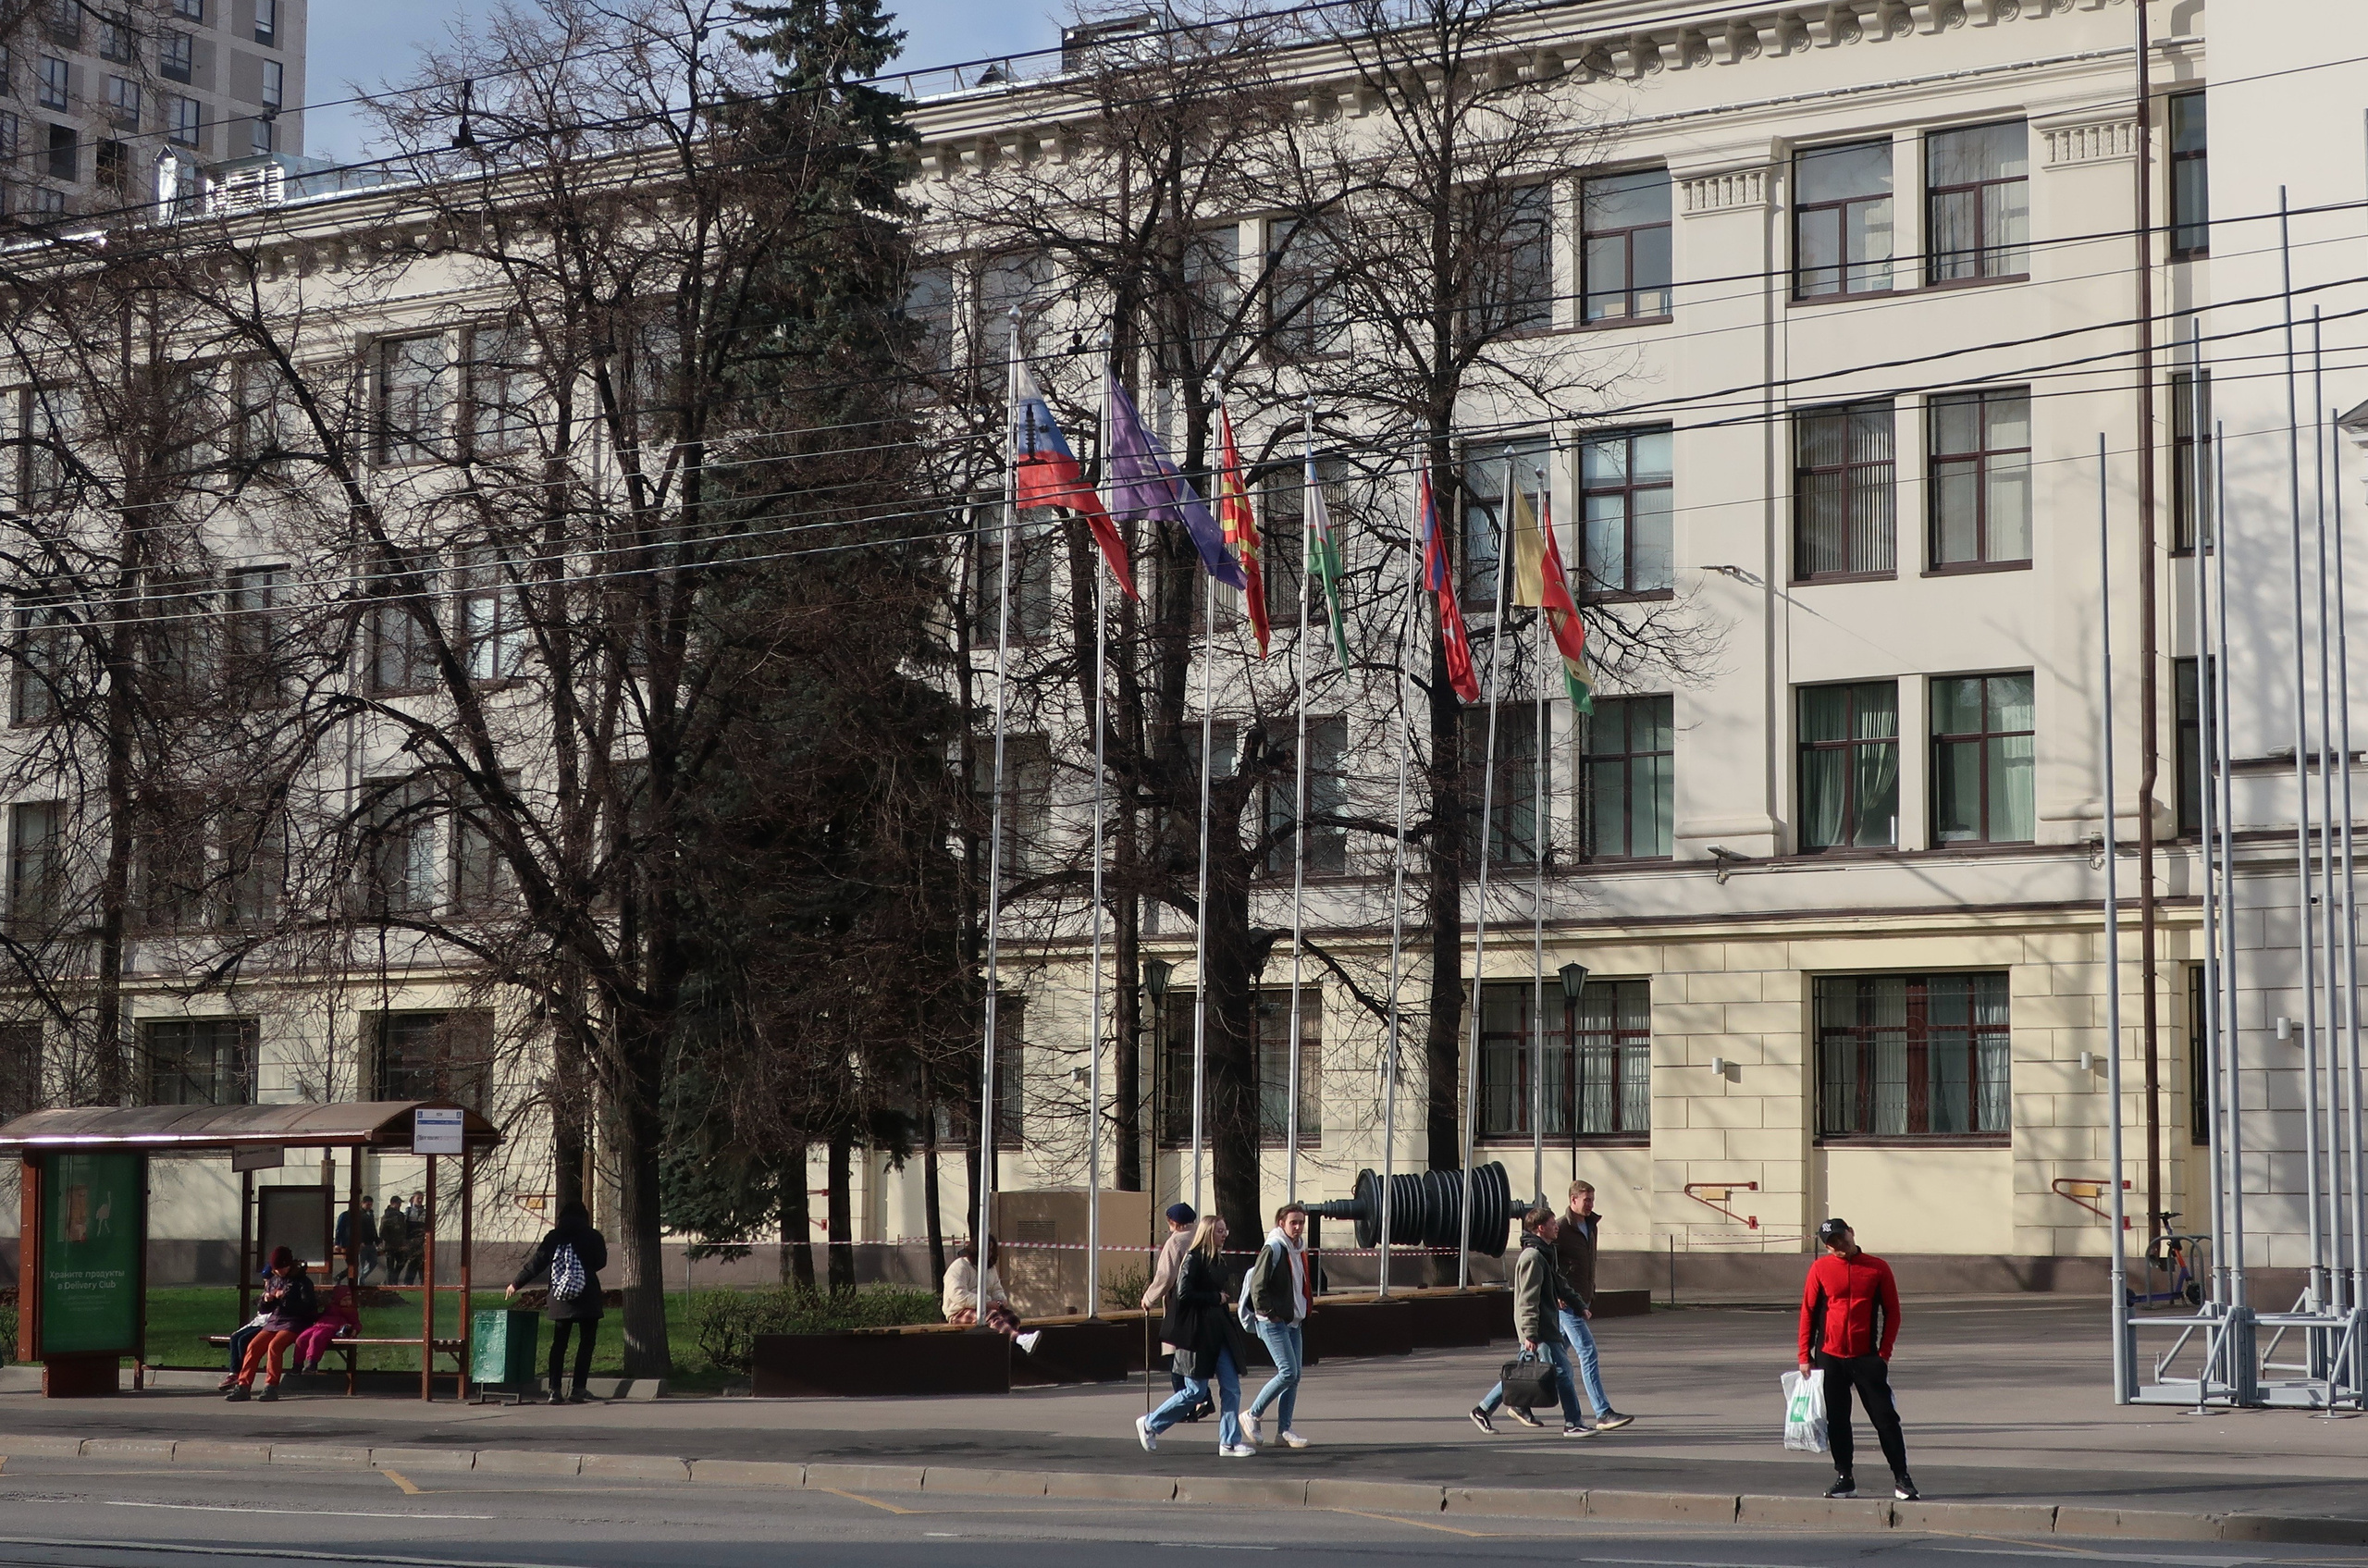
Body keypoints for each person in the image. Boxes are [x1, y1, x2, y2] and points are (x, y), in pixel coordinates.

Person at [1798, 1216, 1916, 1501]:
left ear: (1851, 1233)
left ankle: (1902, 1478)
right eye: (1832, 1243)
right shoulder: (1820, 1269)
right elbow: (1808, 1311)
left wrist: (1884, 1354)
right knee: (1838, 1420)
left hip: (1866, 1357)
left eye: (1842, 1238)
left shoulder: (1877, 1268)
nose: (1839, 1245)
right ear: (1827, 1247)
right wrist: (1805, 1354)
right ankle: (1844, 1477)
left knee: (1885, 1418)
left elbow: (1893, 1313)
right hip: (1830, 1356)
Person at [1136, 1215, 1253, 1457]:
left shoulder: (1218, 1260)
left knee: (1232, 1387)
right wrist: (1214, 1297)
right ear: (1208, 1232)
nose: (1224, 1234)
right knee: (1195, 1392)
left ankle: (1229, 1442)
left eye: (1225, 1230)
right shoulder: (1193, 1259)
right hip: (1197, 1335)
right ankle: (1150, 1423)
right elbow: (1183, 1293)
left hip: (1218, 1331)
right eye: (1220, 1230)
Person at [1470, 1205, 1589, 1436]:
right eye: (1553, 1223)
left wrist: (1579, 1305)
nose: (1557, 1226)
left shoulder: (1544, 1252)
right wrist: (1530, 1334)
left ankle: (1482, 1410)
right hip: (1541, 1329)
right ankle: (1573, 1423)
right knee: (1563, 1372)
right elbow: (1527, 1299)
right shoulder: (1533, 1257)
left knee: (1522, 1373)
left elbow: (1560, 1284)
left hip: (1545, 1326)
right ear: (1541, 1228)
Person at [1552, 1180, 1634, 1431]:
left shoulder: (1591, 1225)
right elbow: (1549, 1264)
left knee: (1546, 1356)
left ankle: (1493, 1404)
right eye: (1586, 1200)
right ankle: (1603, 1412)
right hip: (1568, 1302)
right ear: (1572, 1200)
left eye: (1592, 1200)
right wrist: (1558, 1293)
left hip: (1583, 1297)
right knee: (1587, 1351)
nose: (1590, 1205)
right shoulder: (1561, 1228)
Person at [511, 1199, 609, 1403]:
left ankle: (554, 1389)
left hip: (560, 1296)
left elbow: (537, 1262)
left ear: (561, 1218)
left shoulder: (554, 1237)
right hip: (587, 1295)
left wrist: (516, 1283)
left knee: (559, 1343)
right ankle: (578, 1388)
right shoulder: (593, 1236)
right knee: (586, 1342)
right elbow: (601, 1262)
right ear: (585, 1218)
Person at [1241, 1202, 1312, 1450]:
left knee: (1295, 1376)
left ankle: (1284, 1431)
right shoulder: (1274, 1247)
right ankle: (1252, 1414)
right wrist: (1269, 1312)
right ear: (1281, 1223)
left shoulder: (1298, 1248)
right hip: (1274, 1321)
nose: (1298, 1227)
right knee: (1288, 1372)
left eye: (1301, 1222)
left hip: (1293, 1320)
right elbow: (1257, 1285)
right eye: (1293, 1222)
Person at [1141, 1203, 1211, 1418]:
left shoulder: (1175, 1242)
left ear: (1172, 1222)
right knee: (1193, 1357)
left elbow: (1166, 1276)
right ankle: (1204, 1398)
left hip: (1180, 1308)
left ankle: (1186, 1407)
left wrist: (1149, 1298)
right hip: (1204, 1305)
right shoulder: (1203, 1237)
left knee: (1176, 1359)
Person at [226, 1247, 318, 1401]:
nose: (277, 1272)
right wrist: (267, 1300)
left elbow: (308, 1307)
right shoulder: (274, 1280)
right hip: (274, 1321)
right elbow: (263, 1310)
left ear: (288, 1265)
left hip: (294, 1322)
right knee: (253, 1346)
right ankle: (243, 1386)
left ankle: (271, 1386)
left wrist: (284, 1299)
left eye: (280, 1268)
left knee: (274, 1346)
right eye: (275, 1270)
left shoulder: (302, 1282)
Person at [942, 1238, 1042, 1354]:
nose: (988, 1254)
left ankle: (1004, 1349)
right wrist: (985, 1303)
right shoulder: (959, 1266)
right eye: (986, 1250)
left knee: (1011, 1317)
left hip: (985, 1308)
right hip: (958, 1312)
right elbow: (958, 1295)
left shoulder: (990, 1269)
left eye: (991, 1251)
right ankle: (1020, 1339)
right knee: (991, 1316)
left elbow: (996, 1289)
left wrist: (1001, 1300)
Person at [292, 1280, 361, 1375]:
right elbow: (322, 1315)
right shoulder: (331, 1308)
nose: (348, 1302)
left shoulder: (350, 1311)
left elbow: (356, 1323)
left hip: (332, 1329)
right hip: (319, 1326)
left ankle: (312, 1363)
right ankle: (297, 1364)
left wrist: (354, 1330)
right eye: (344, 1300)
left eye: (349, 1299)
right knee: (301, 1338)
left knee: (317, 1338)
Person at [335, 1196, 380, 1286]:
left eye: (371, 1205)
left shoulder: (369, 1214)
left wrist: (376, 1240)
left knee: (364, 1263)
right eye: (368, 1204)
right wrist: (337, 1243)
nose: (369, 1206)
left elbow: (372, 1228)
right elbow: (341, 1230)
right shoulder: (347, 1215)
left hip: (367, 1243)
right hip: (351, 1244)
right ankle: (354, 1283)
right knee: (355, 1265)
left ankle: (343, 1277)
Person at [376, 1193, 411, 1288]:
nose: (399, 1205)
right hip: (390, 1245)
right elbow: (383, 1231)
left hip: (400, 1245)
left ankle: (393, 1280)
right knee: (390, 1266)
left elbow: (403, 1230)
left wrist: (404, 1242)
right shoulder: (388, 1215)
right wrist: (387, 1241)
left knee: (402, 1261)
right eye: (398, 1203)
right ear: (393, 1203)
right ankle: (389, 1284)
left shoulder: (400, 1215)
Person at [403, 1192, 431, 1284]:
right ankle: (408, 1283)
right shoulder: (408, 1211)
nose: (420, 1200)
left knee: (423, 1261)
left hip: (422, 1240)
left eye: (421, 1198)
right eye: (418, 1198)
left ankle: (424, 1282)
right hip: (411, 1240)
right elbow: (405, 1226)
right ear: (413, 1199)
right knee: (413, 1261)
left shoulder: (425, 1212)